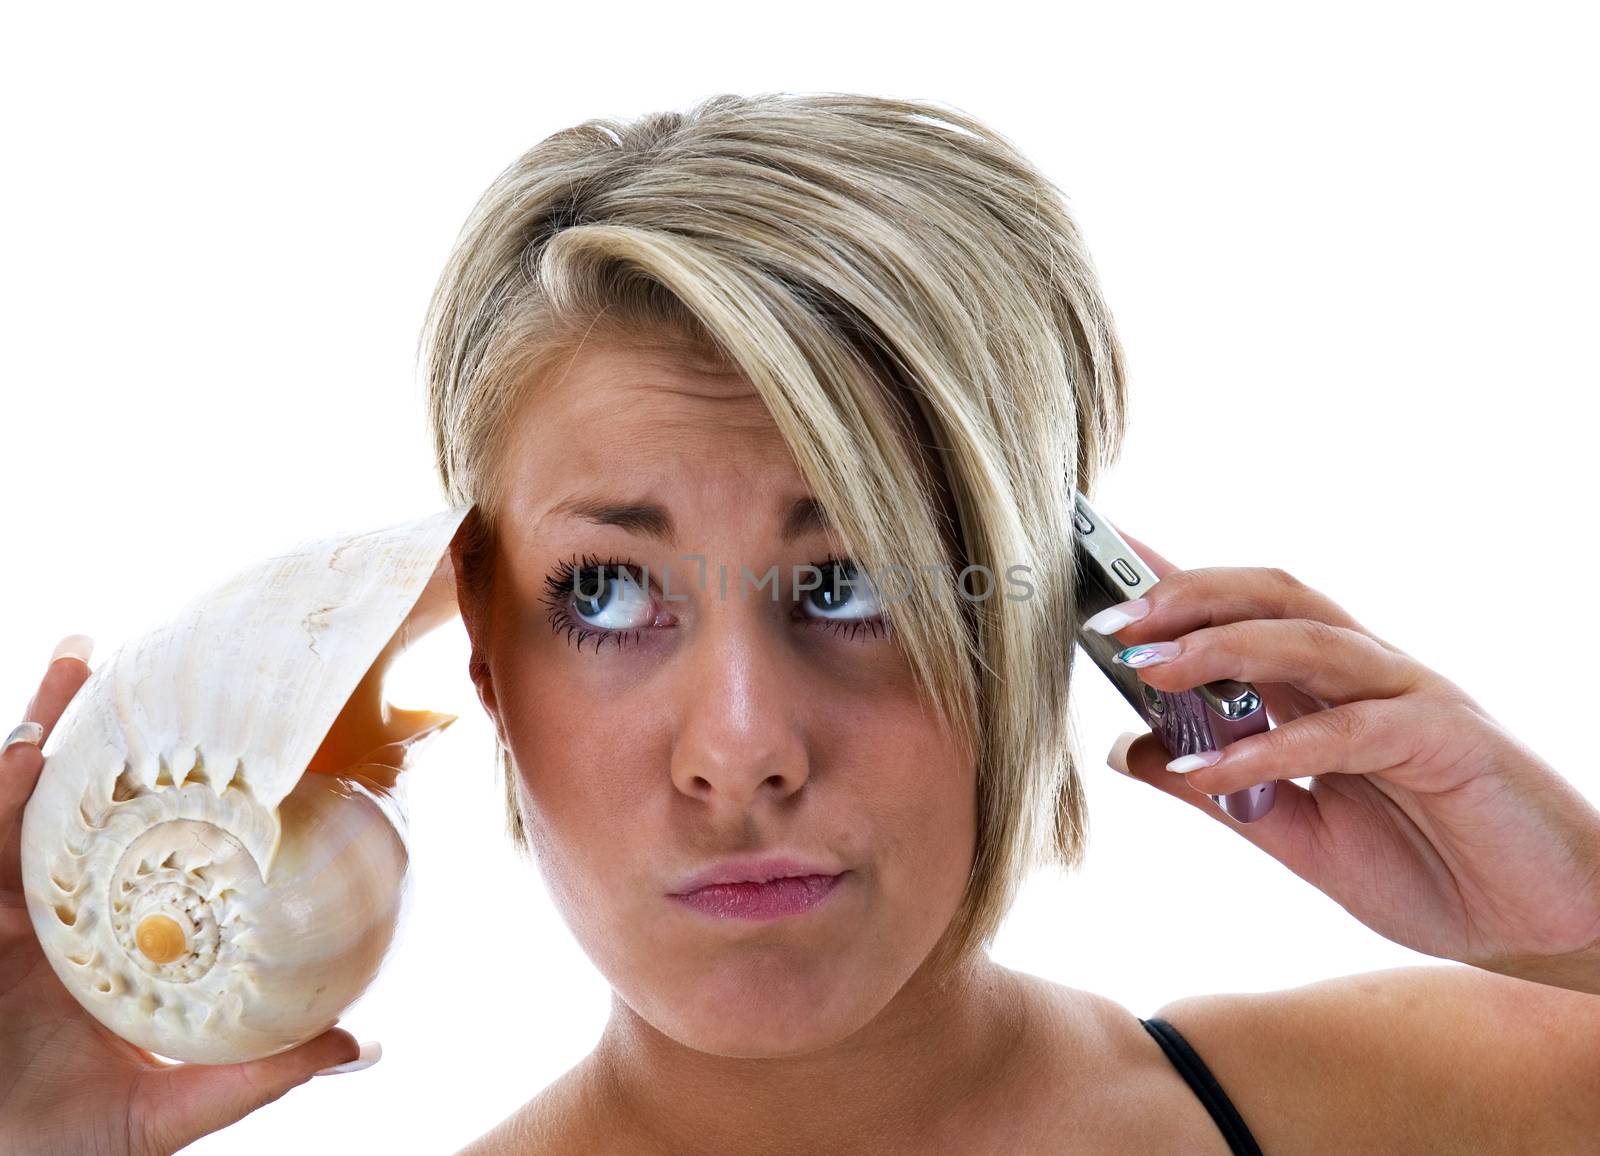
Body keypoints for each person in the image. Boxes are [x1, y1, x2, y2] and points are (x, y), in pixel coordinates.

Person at [4, 92, 1599, 1155]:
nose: (745, 751)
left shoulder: (1421, 1108)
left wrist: (1574, 926)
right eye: (610, 594)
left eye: (858, 582)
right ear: (486, 667)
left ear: (1045, 620)